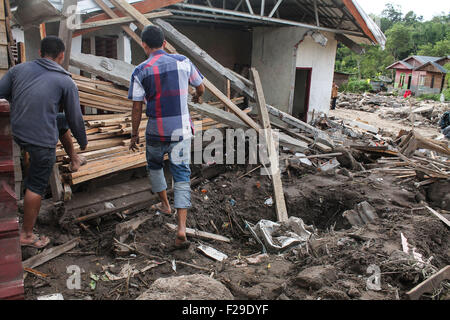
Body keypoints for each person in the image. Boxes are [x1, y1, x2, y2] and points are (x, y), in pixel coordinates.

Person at [0, 36, 88, 248]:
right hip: (40, 141)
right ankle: (27, 235)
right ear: (61, 56)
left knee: (60, 120)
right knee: (36, 185)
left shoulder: (17, 70)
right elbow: (76, 117)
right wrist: (83, 141)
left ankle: (74, 159)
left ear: (39, 53)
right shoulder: (66, 81)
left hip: (19, 130)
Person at [128, 26, 204, 249]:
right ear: (164, 42)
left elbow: (136, 108)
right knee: (181, 175)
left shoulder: (140, 70)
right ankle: (181, 228)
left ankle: (164, 204)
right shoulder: (183, 62)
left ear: (144, 45)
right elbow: (201, 87)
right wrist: (197, 96)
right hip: (181, 131)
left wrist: (134, 135)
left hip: (155, 132)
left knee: (154, 167)